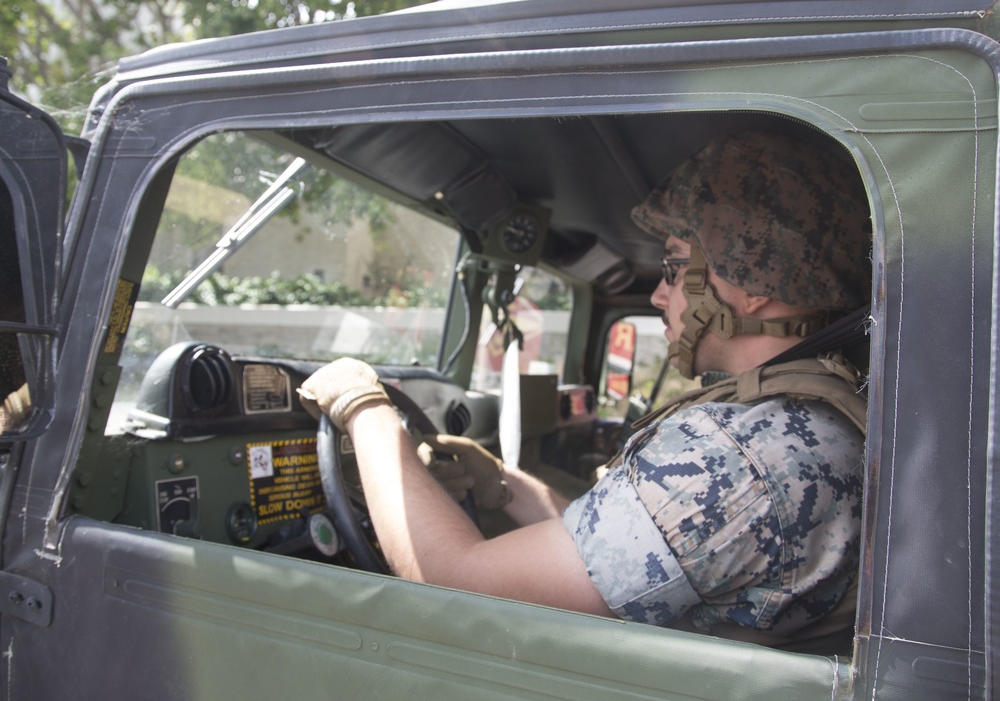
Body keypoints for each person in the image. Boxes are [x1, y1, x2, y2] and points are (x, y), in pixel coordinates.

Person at [298, 130, 871, 648]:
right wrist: (498, 481)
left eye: (673, 269)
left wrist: (364, 408)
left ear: (753, 287)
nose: (659, 296)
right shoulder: (803, 421)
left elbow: (452, 582)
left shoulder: (739, 456)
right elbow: (621, 550)